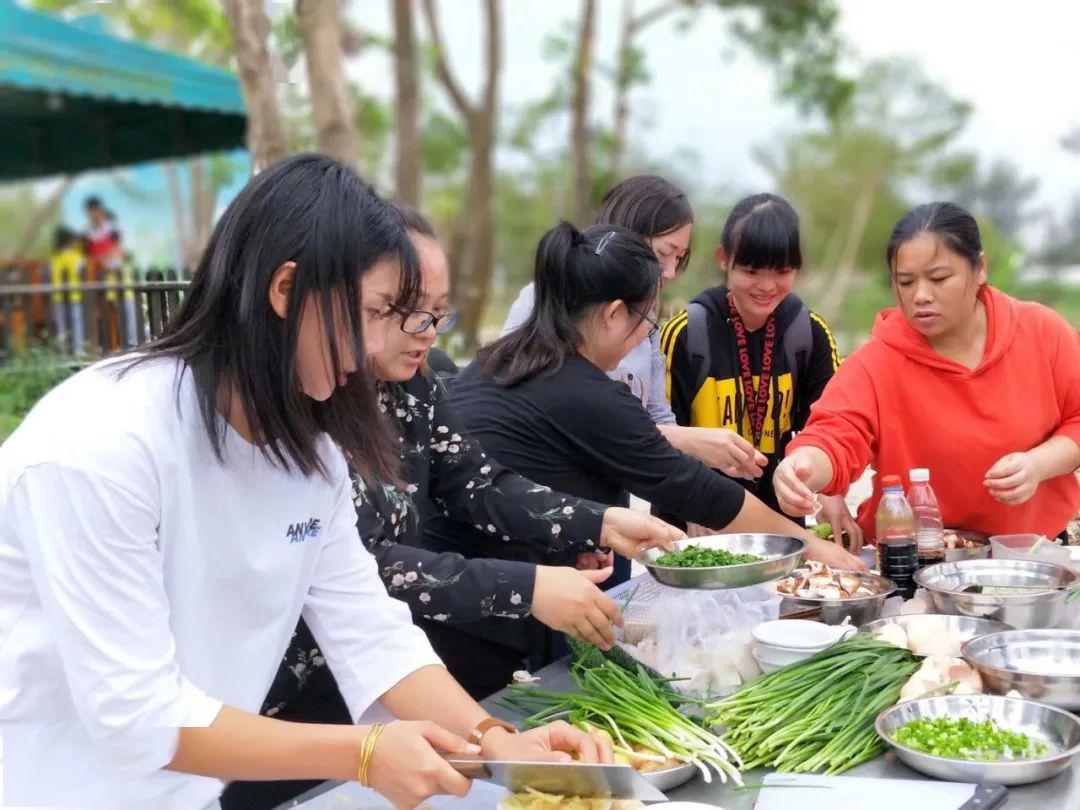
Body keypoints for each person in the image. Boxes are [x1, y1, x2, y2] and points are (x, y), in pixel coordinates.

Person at [0, 156, 609, 810]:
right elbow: (136, 716)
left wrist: (495, 740)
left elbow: (369, 629)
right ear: (286, 289)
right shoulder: (101, 445)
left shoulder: (310, 449)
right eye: (375, 312)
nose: (380, 346)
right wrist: (362, 753)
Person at [225, 206, 680, 810]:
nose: (429, 332)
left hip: (365, 677)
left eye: (438, 313)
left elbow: (473, 485)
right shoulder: (286, 411)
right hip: (263, 707)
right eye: (402, 310)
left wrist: (596, 520)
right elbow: (370, 567)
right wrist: (523, 588)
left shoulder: (404, 387)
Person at [424, 221, 864, 691]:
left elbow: (515, 478)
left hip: (460, 591)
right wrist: (810, 547)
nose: (645, 336)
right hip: (483, 620)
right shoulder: (582, 389)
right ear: (613, 313)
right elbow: (699, 490)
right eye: (647, 320)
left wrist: (576, 536)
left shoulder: (504, 358)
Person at [502, 176, 770, 578]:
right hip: (546, 517)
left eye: (680, 258)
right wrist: (689, 442)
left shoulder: (648, 322)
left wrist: (698, 472)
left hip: (612, 520)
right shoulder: (545, 301)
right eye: (663, 253)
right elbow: (567, 418)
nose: (670, 271)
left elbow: (656, 417)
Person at [774, 202, 1080, 544]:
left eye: (939, 278)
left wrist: (1039, 465)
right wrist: (802, 467)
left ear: (979, 268)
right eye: (905, 282)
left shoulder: (1041, 332)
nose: (920, 296)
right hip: (916, 560)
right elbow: (835, 435)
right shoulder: (878, 362)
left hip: (1034, 556)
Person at [660, 193, 860, 545]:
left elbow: (832, 426)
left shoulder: (809, 333)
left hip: (781, 528)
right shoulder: (686, 334)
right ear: (724, 259)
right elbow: (658, 438)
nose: (767, 287)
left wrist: (832, 494)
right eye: (752, 271)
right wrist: (690, 509)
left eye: (782, 272)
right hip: (697, 529)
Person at [83, 195, 123, 268]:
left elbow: (119, 252)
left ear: (101, 211)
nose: (94, 215)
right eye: (91, 212)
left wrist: (108, 260)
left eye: (97, 211)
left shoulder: (112, 229)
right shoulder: (86, 233)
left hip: (111, 269)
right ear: (87, 213)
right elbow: (86, 256)